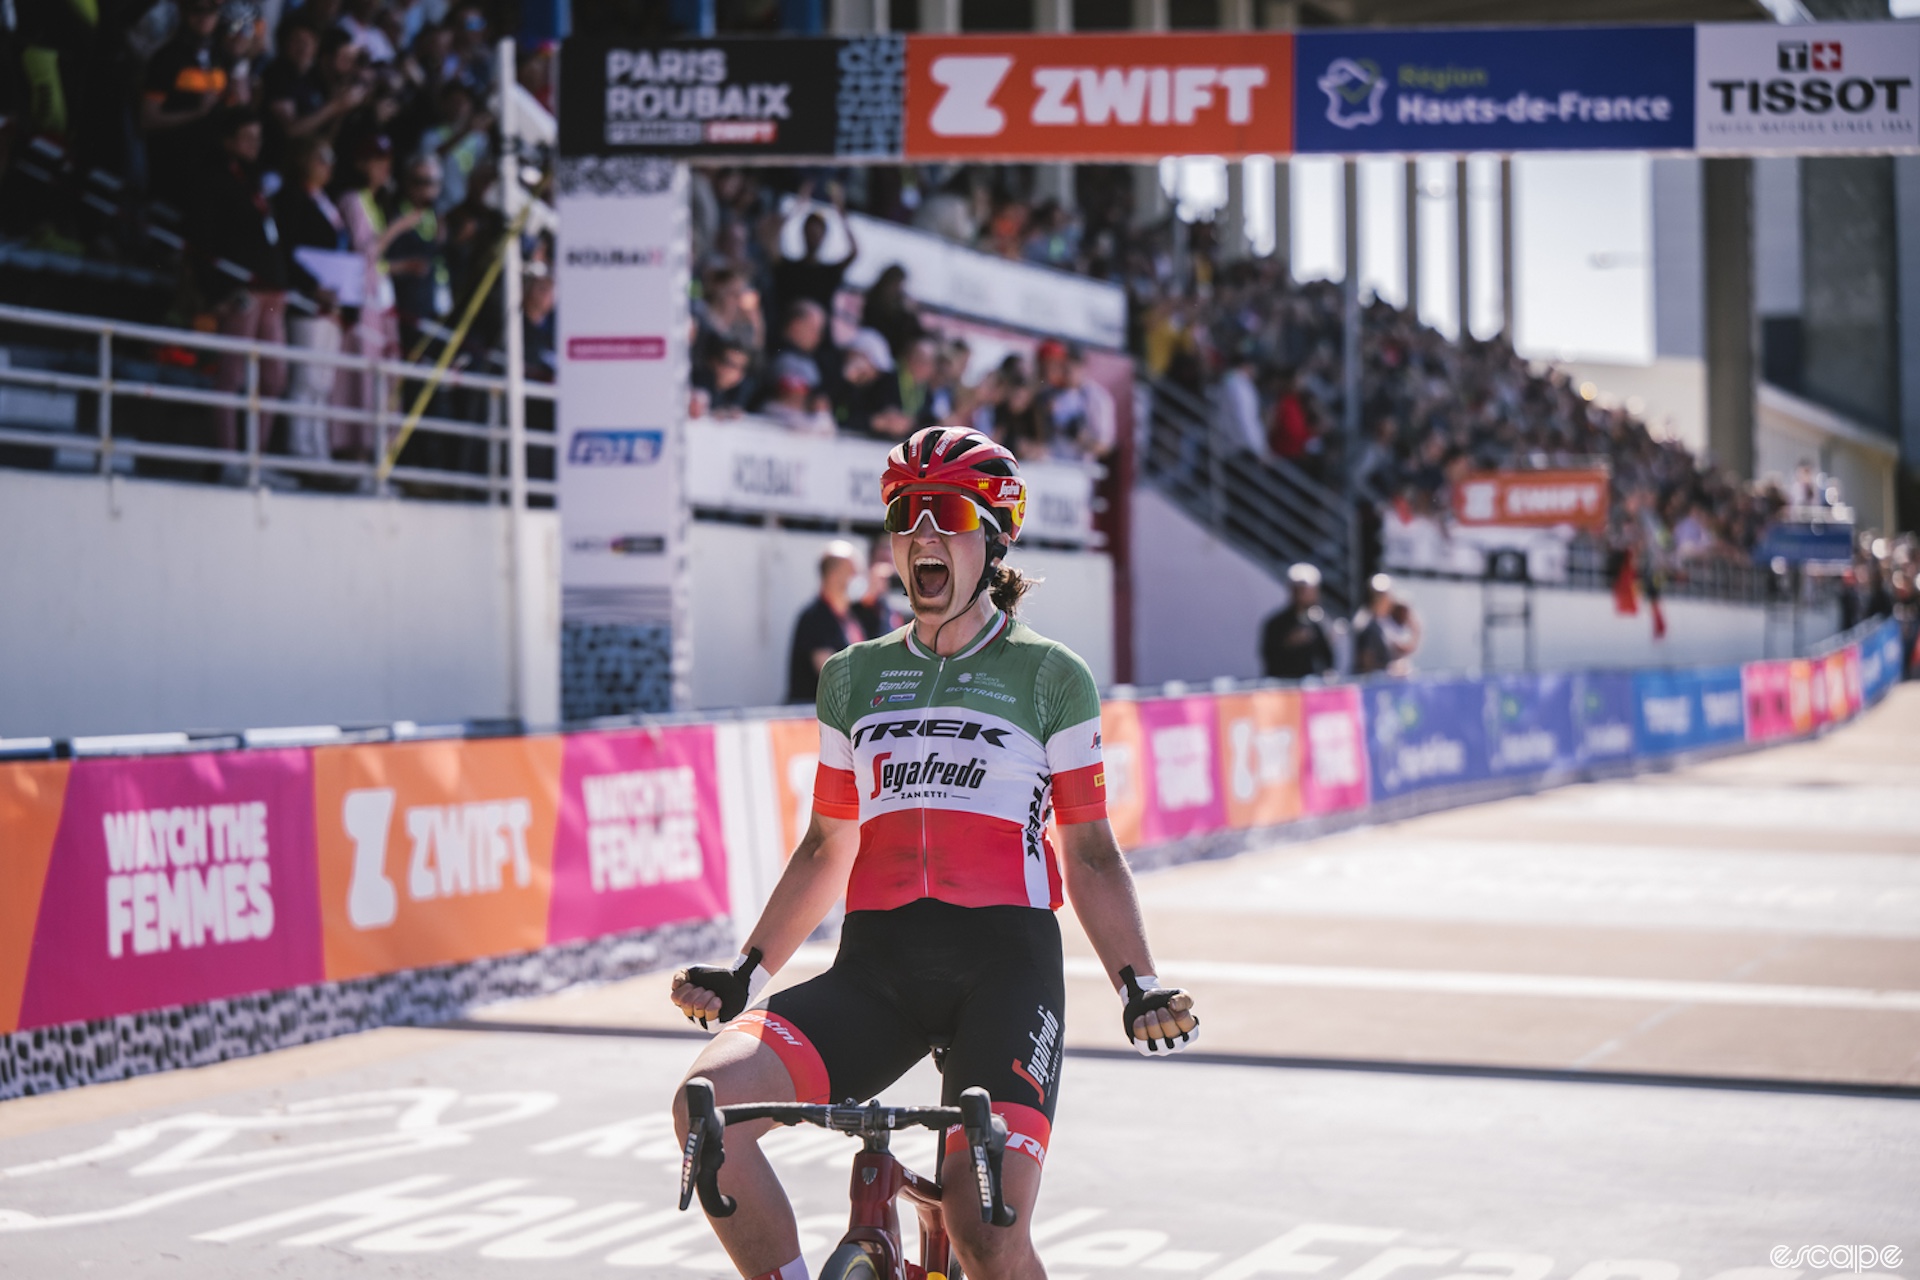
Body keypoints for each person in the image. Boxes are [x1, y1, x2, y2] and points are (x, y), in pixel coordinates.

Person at [672, 427, 1199, 1280]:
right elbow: (824, 845)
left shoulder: (1050, 676)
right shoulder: (852, 675)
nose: (921, 533)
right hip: (875, 974)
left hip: (1005, 971)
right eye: (904, 515)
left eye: (946, 513)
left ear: (991, 539)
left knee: (985, 1227)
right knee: (706, 1111)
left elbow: (1092, 853)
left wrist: (1137, 984)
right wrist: (747, 973)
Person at [784, 540, 867, 705]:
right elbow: (832, 675)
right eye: (852, 572)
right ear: (833, 575)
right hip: (813, 721)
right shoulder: (815, 617)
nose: (858, 579)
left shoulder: (850, 617)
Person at [772, 185, 857, 321]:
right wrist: (797, 206)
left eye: (818, 233)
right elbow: (771, 239)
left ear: (824, 237)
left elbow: (854, 253)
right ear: (803, 233)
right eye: (810, 232)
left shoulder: (829, 272)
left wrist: (841, 212)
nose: (814, 237)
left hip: (818, 338)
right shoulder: (789, 268)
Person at [1260, 563, 1337, 680]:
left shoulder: (1318, 621)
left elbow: (1327, 658)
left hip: (1311, 687)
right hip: (1285, 688)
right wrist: (1289, 643)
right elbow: (1268, 656)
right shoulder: (1276, 623)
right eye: (1302, 590)